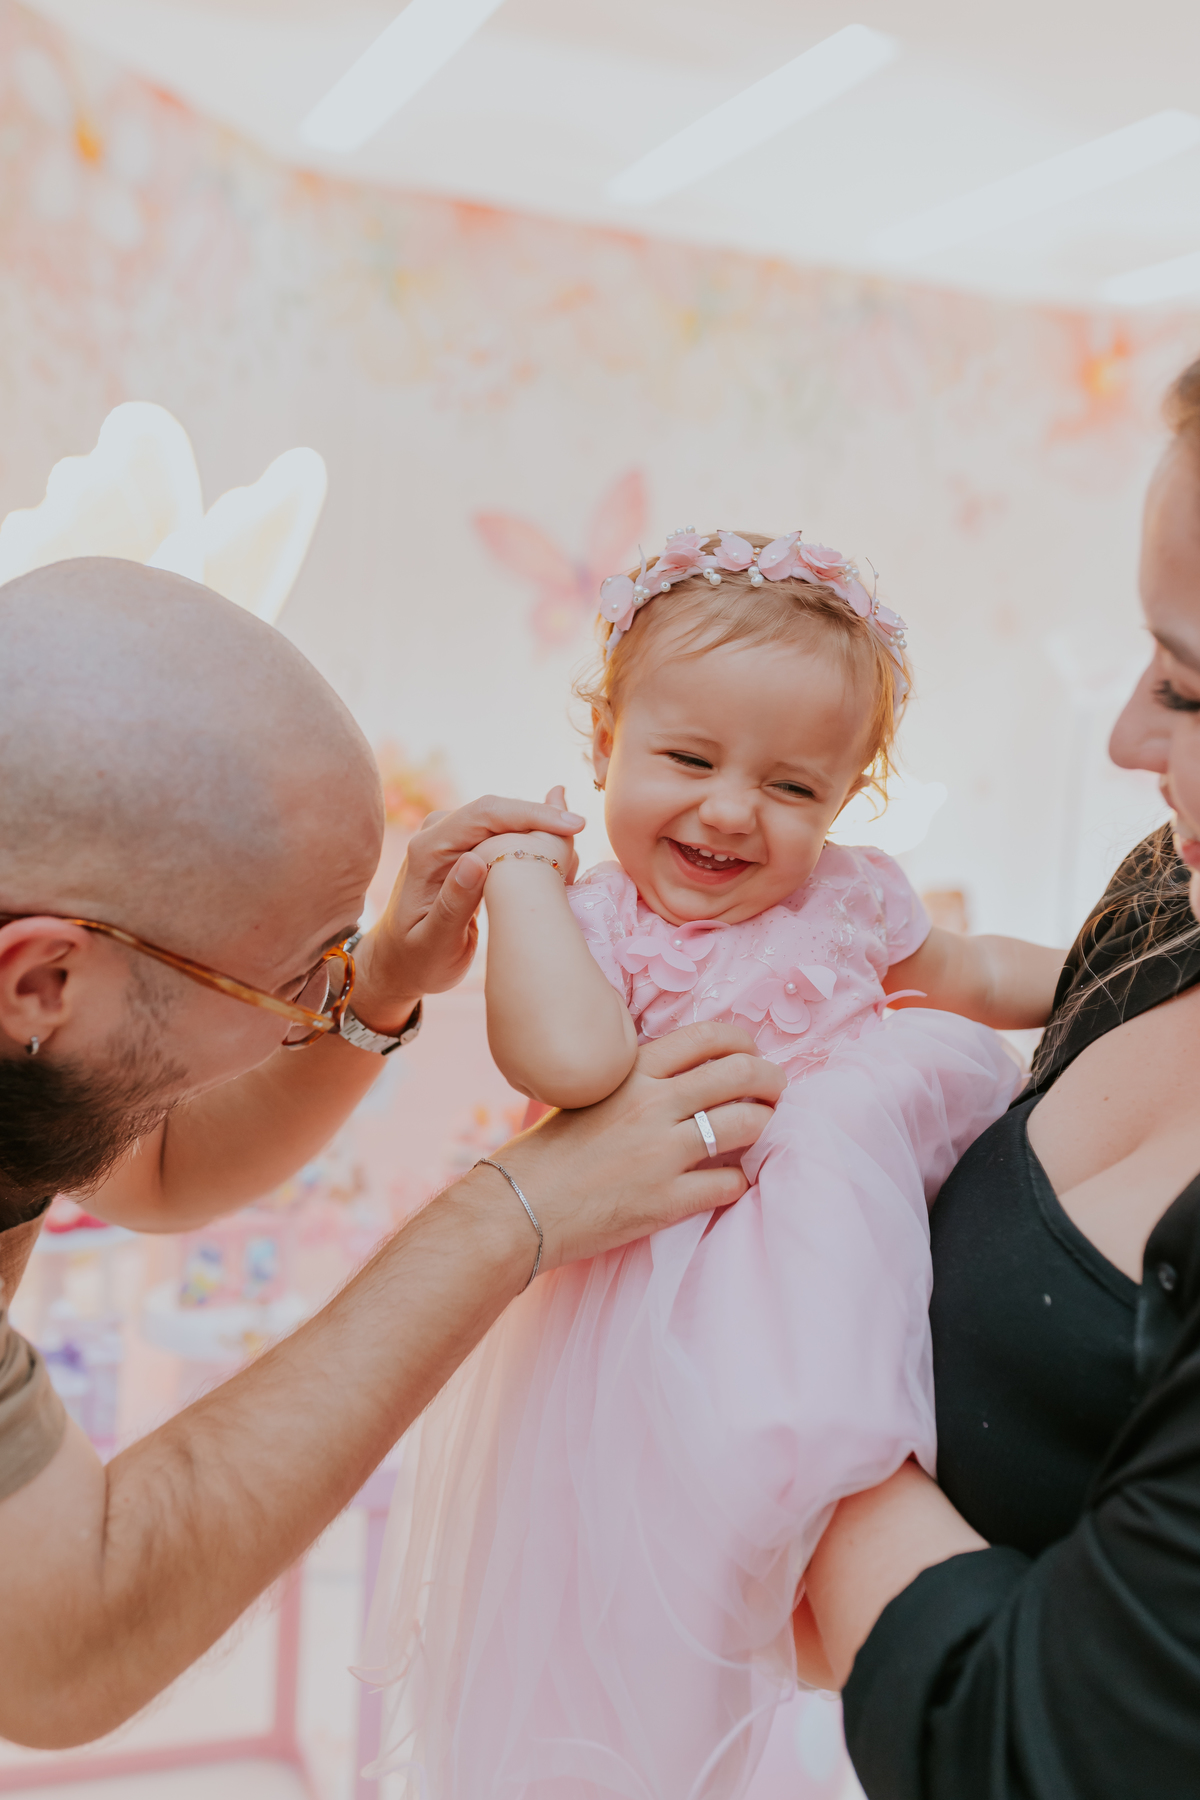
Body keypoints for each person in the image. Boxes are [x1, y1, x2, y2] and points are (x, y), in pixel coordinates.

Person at [0, 555, 787, 1753]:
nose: (300, 1016)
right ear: (45, 979)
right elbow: (70, 1639)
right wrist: (510, 1213)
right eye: (285, 978)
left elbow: (155, 1169)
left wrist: (378, 981)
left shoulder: (38, 1048)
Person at [362, 526, 1062, 1797]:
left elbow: (979, 973)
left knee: (817, 1550)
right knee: (649, 1596)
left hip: (838, 1286)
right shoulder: (596, 923)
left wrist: (1110, 985)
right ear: (603, 749)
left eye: (794, 788)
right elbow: (569, 1065)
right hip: (653, 1312)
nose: (734, 810)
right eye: (688, 759)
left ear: (844, 802)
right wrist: (524, 879)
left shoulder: (852, 900)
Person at [795, 355, 1200, 1797]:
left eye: (1195, 685)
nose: (1127, 736)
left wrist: (782, 1407)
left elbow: (1028, 1749)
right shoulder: (1170, 892)